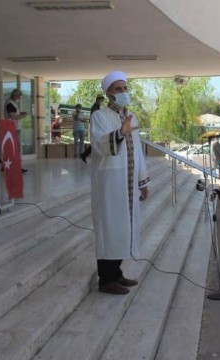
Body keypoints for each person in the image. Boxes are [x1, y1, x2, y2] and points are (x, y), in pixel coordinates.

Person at [90, 70, 150, 295]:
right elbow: (98, 145)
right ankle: (105, 280)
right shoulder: (100, 116)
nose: (123, 92)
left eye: (125, 88)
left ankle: (116, 273)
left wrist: (143, 182)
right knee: (110, 228)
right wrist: (119, 132)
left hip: (129, 182)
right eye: (118, 89)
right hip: (110, 183)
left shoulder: (131, 116)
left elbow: (140, 152)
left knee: (124, 227)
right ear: (108, 93)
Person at [5, 88, 28, 173]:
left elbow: (15, 114)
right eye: (18, 96)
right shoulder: (9, 104)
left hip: (14, 128)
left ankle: (10, 165)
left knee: (13, 147)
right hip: (12, 128)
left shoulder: (13, 103)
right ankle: (15, 166)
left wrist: (20, 114)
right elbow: (13, 116)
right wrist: (23, 116)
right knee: (15, 148)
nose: (19, 98)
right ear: (15, 95)